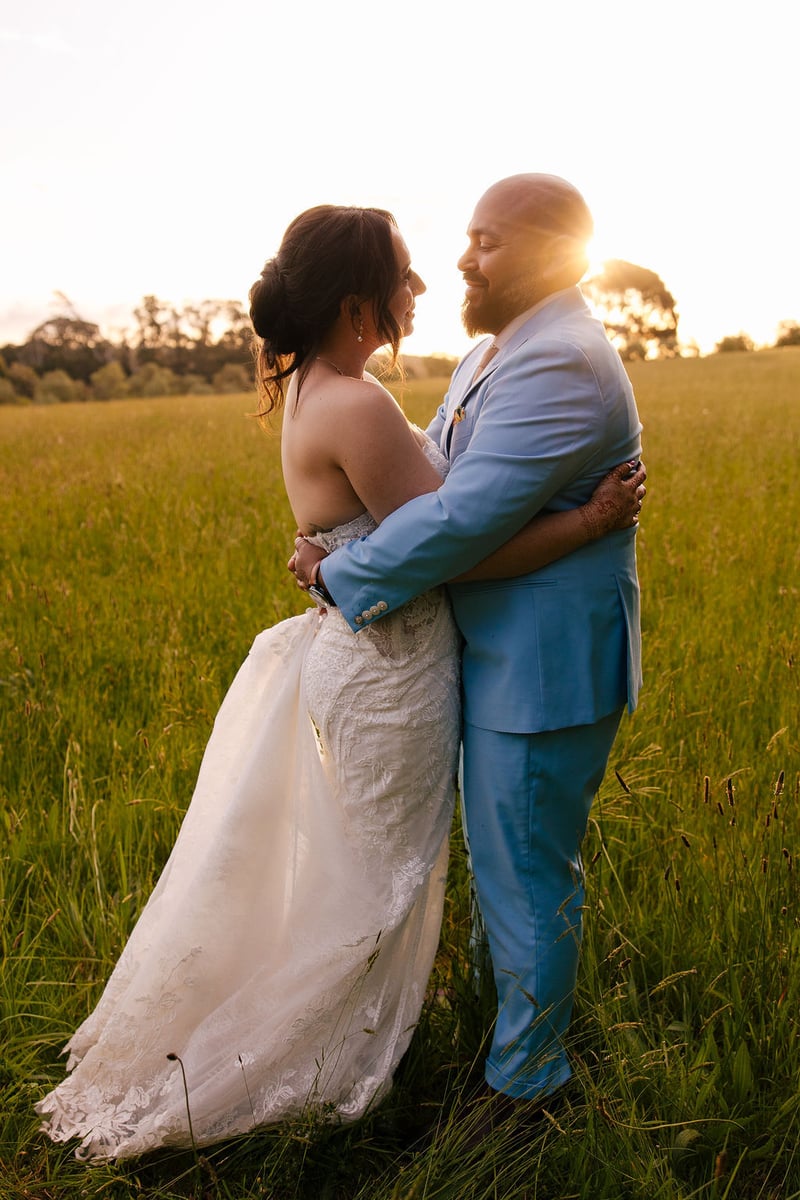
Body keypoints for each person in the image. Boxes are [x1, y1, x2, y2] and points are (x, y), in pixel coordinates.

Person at [36, 203, 643, 1161]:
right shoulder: (362, 400)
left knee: (394, 869)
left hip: (402, 661)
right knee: (378, 883)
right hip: (392, 666)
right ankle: (310, 1064)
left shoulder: (336, 385)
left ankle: (465, 1056)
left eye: (480, 242)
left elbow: (442, 517)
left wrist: (335, 562)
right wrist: (585, 522)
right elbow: (452, 542)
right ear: (359, 299)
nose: (429, 283)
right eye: (406, 274)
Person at [292, 176, 644, 1114]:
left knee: (526, 870)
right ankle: (511, 1036)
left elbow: (462, 518)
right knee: (508, 863)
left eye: (486, 240)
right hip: (491, 651)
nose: (460, 258)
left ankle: (528, 1093)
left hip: (542, 664)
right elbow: (432, 477)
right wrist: (342, 539)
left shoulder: (559, 360)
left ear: (550, 253)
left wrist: (343, 572)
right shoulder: (499, 350)